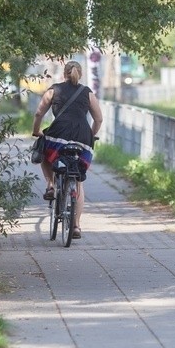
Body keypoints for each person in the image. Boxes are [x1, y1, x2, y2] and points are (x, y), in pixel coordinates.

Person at [32, 60, 103, 239]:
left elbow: (39, 113)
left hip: (59, 132)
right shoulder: (88, 93)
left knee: (46, 152)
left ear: (64, 74)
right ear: (81, 74)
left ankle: (50, 184)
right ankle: (77, 226)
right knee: (78, 181)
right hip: (82, 136)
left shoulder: (54, 90)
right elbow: (99, 119)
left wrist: (36, 131)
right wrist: (91, 135)